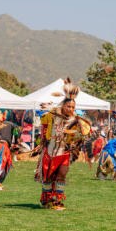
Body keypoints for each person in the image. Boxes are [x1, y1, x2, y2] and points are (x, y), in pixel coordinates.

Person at [34, 77, 93, 210]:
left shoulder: (76, 120)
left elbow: (82, 134)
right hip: (50, 151)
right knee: (48, 176)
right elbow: (43, 122)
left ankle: (57, 200)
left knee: (62, 174)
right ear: (63, 105)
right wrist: (43, 137)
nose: (71, 109)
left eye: (73, 107)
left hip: (65, 152)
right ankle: (47, 199)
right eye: (68, 106)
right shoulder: (52, 115)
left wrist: (76, 142)